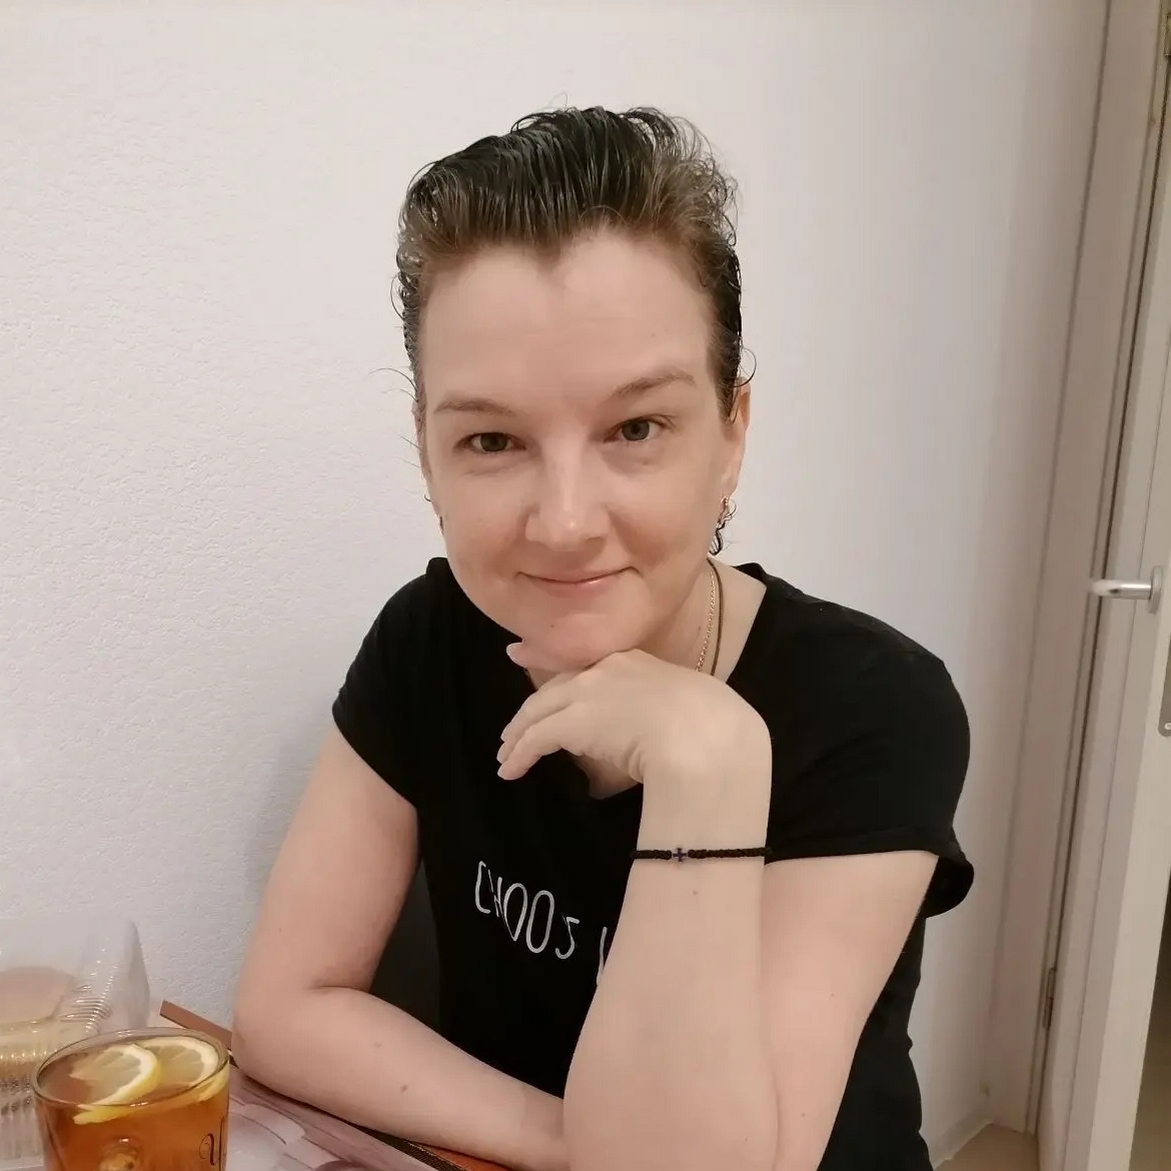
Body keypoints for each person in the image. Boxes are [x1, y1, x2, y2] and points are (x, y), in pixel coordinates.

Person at [233, 106, 973, 1171]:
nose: (566, 521)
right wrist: (580, 1140)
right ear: (428, 455)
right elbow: (285, 1007)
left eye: (635, 428)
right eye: (492, 439)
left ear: (731, 433)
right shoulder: (427, 640)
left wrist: (710, 769)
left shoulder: (872, 705)